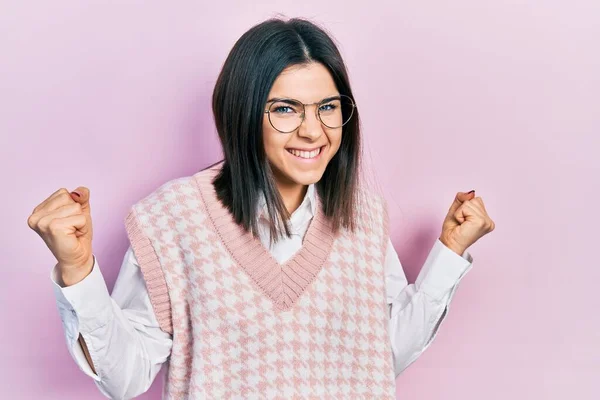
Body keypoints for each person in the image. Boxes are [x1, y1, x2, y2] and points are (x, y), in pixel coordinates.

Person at [27, 17, 495, 400]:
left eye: (327, 107)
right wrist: (78, 271)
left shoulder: (362, 217)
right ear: (243, 112)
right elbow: (125, 379)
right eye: (286, 109)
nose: (314, 131)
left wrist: (449, 253)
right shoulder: (172, 221)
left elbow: (379, 356)